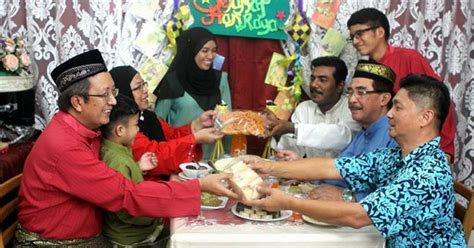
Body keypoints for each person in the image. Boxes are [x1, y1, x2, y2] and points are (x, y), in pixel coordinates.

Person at [16, 50, 237, 247]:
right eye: (105, 95)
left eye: (114, 91)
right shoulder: (65, 146)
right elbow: (125, 194)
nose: (114, 101)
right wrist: (198, 187)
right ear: (77, 103)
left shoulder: (87, 129)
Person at [244, 74, 465, 247]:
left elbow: (358, 217)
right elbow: (333, 167)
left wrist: (287, 202)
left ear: (425, 117)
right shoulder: (397, 156)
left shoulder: (427, 174)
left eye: (397, 107)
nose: (389, 114)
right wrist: (269, 166)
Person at [346, 7, 455, 162]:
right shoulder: (365, 68)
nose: (355, 41)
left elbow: (439, 101)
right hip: (382, 150)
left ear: (380, 32)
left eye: (359, 34)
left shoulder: (409, 58)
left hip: (418, 155)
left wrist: (445, 150)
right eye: (352, 37)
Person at [307, 60, 398, 202]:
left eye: (361, 92)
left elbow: (394, 197)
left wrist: (348, 196)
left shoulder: (395, 135)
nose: (352, 99)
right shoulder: (363, 134)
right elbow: (336, 172)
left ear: (384, 99)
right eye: (350, 92)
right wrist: (298, 169)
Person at [110, 66, 222, 176]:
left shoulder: (148, 116)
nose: (145, 90)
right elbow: (156, 156)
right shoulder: (126, 127)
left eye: (144, 84)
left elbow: (170, 136)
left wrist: (197, 124)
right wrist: (195, 139)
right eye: (138, 87)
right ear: (124, 93)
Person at [154, 27, 232, 160]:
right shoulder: (173, 81)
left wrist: (227, 155)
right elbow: (158, 123)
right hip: (180, 158)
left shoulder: (220, 79)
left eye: (214, 51)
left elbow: (228, 120)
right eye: (204, 51)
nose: (210, 56)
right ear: (191, 51)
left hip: (211, 158)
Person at [100, 95, 167, 247]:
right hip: (131, 236)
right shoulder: (118, 161)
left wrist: (138, 167)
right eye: (136, 125)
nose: (138, 129)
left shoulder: (113, 149)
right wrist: (156, 211)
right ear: (120, 130)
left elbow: (121, 181)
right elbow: (124, 209)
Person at [266, 56, 360, 159]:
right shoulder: (304, 108)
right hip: (310, 173)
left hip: (341, 174)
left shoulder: (352, 106)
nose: (314, 84)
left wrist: (292, 128)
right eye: (312, 78)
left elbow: (343, 136)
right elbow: (292, 151)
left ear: (340, 86)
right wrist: (276, 130)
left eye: (322, 80)